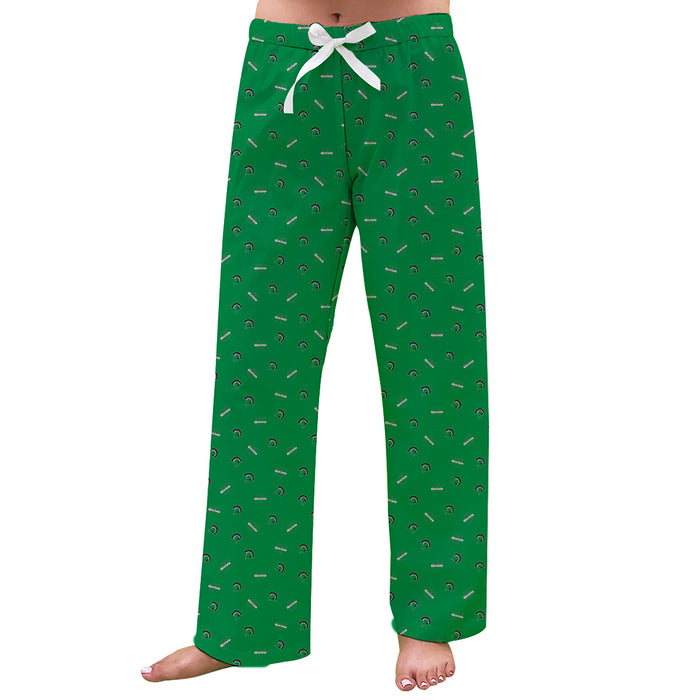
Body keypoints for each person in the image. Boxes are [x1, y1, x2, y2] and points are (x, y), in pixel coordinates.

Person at [141, 0, 489, 691]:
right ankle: (243, 621)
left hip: (415, 68)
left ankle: (431, 613)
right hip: (284, 68)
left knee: (436, 359)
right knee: (257, 364)